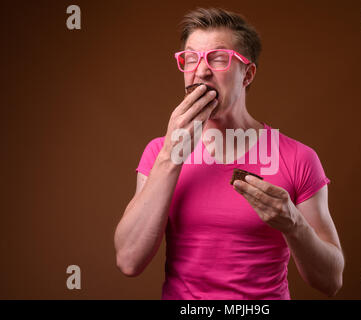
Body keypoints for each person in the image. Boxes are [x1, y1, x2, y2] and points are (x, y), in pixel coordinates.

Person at [114, 7, 344, 300]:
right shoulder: (159, 153)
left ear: (247, 74)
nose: (201, 70)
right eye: (191, 58)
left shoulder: (298, 158)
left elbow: (331, 280)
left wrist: (294, 224)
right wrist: (171, 156)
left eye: (218, 59)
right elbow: (128, 260)